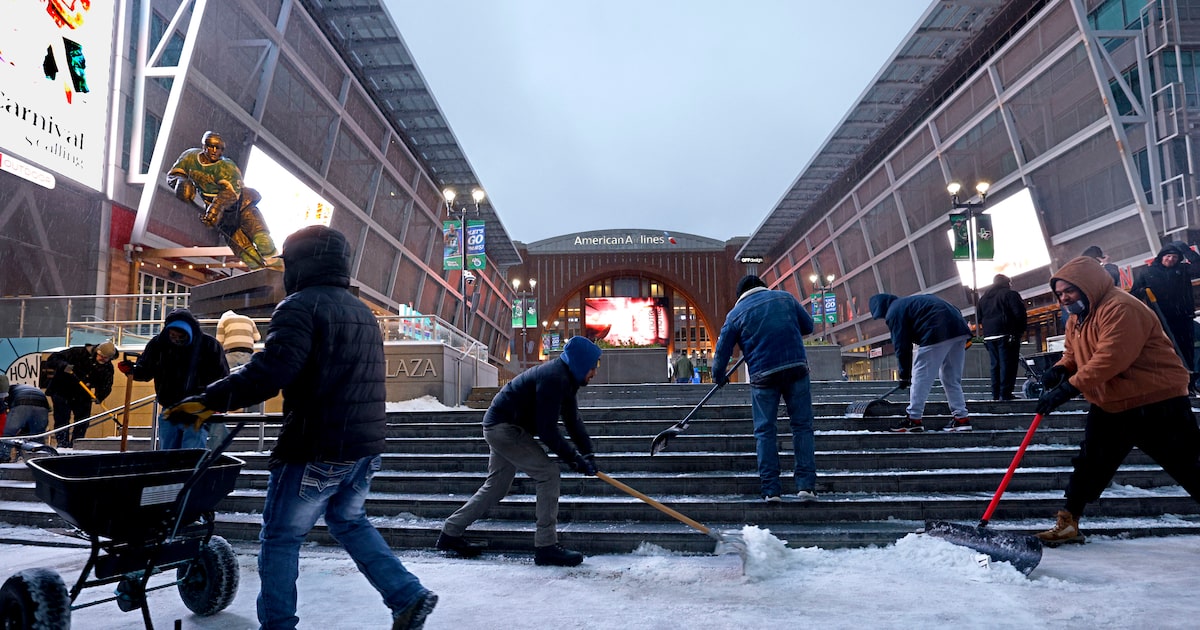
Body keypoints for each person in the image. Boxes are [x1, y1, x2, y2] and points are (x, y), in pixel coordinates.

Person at [162, 226, 437, 629]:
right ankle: (407, 595)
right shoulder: (361, 312)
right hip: (363, 447)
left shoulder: (299, 306)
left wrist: (209, 400)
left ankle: (278, 625)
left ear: (301, 265)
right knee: (348, 520)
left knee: (280, 538)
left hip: (316, 446)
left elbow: (273, 369)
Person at [1033, 256, 1200, 546]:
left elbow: (1110, 358)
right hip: (1112, 403)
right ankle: (1068, 522)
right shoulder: (1077, 318)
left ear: (1087, 285)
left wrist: (1067, 390)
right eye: (1059, 294)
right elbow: (1074, 353)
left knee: (1189, 464)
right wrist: (1060, 369)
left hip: (1157, 403)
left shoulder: (1121, 307)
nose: (1064, 298)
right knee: (1089, 464)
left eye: (1068, 291)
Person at [435, 336, 603, 566]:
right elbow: (547, 431)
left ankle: (450, 533)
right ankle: (546, 546)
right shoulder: (554, 378)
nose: (594, 372)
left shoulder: (566, 379)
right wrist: (574, 459)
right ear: (581, 364)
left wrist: (588, 454)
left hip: (501, 425)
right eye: (593, 367)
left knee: (497, 486)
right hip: (505, 428)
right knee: (549, 474)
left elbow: (573, 421)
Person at [710, 275, 818, 502]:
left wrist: (718, 377)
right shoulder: (786, 299)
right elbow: (808, 326)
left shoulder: (736, 314)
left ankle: (771, 490)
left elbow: (722, 351)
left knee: (765, 432)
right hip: (796, 368)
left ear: (741, 294)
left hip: (763, 375)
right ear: (762, 287)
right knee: (802, 427)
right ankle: (806, 486)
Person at [167, 131, 280, 269]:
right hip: (221, 215)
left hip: (241, 205)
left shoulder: (227, 167)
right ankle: (260, 272)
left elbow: (232, 193)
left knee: (261, 238)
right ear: (204, 146)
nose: (215, 151)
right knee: (243, 250)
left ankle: (277, 266)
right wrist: (180, 183)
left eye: (218, 148)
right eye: (211, 146)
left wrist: (215, 209)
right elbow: (174, 175)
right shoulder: (189, 157)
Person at [119, 309, 228, 450]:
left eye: (180, 335)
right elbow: (146, 371)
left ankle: (187, 471)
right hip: (170, 409)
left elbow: (222, 377)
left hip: (197, 409)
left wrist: (217, 404)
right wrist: (132, 370)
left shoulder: (208, 345)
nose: (176, 338)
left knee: (190, 455)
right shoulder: (158, 345)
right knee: (169, 455)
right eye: (172, 335)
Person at [869, 292, 972, 433]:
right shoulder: (910, 302)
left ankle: (913, 419)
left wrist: (905, 375)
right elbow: (950, 308)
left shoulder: (894, 311)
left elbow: (902, 346)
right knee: (951, 378)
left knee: (920, 376)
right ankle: (962, 419)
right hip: (959, 330)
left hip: (935, 331)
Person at [1130, 241, 1200, 374]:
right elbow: (1133, 294)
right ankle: (1175, 379)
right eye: (1168, 256)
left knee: (1186, 350)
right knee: (1168, 352)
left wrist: (1185, 249)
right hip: (1161, 321)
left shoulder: (1183, 270)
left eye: (1175, 257)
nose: (1171, 259)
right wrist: (1142, 291)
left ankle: (1190, 379)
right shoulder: (1147, 272)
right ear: (1161, 256)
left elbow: (1198, 265)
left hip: (1183, 319)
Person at [44, 341, 116, 448]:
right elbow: (53, 359)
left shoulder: (107, 367)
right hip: (62, 389)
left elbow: (106, 384)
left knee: (83, 420)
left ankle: (76, 443)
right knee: (62, 419)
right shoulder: (77, 352)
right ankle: (62, 443)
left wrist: (100, 396)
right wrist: (64, 365)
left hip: (83, 393)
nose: (103, 359)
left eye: (106, 358)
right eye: (101, 356)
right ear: (97, 352)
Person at [977, 274, 1027, 401]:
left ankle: (996, 394)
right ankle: (1005, 394)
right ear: (1006, 283)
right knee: (1008, 364)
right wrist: (1019, 331)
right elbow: (1019, 314)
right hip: (1006, 335)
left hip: (989, 337)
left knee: (995, 365)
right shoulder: (1010, 295)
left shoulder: (983, 299)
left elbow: (978, 318)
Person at [216, 309, 263, 415]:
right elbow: (257, 338)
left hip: (231, 353)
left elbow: (219, 341)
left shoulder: (223, 321)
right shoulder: (248, 319)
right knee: (248, 381)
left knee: (229, 380)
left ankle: (229, 411)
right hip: (248, 353)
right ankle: (250, 412)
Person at [1, 376, 52, 463]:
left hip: (21, 403)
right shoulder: (25, 388)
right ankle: (39, 458)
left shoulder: (8, 391)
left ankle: (3, 457)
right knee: (37, 436)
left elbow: (2, 408)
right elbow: (49, 409)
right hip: (42, 405)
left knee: (8, 435)